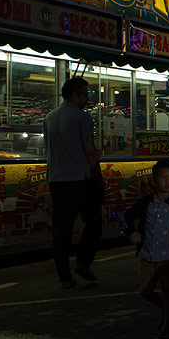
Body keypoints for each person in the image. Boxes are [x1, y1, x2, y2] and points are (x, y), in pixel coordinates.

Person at [122, 159, 169, 339]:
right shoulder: (146, 202)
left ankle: (166, 328)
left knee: (168, 289)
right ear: (155, 180)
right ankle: (167, 310)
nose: (168, 181)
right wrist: (131, 232)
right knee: (145, 290)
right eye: (163, 177)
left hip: (168, 258)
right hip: (148, 256)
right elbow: (126, 215)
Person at [44, 76, 101, 290]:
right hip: (80, 179)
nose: (87, 98)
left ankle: (64, 277)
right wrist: (98, 176)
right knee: (94, 223)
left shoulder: (49, 117)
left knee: (61, 230)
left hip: (57, 180)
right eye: (85, 94)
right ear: (74, 95)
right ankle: (83, 262)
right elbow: (90, 152)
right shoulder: (82, 117)